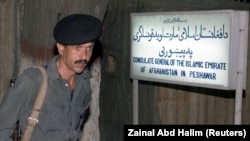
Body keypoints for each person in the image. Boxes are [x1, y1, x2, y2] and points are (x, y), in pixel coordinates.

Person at [0, 13, 103, 141]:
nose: (84, 56)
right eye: (77, 48)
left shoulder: (84, 83)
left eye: (89, 48)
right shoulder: (33, 80)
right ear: (61, 48)